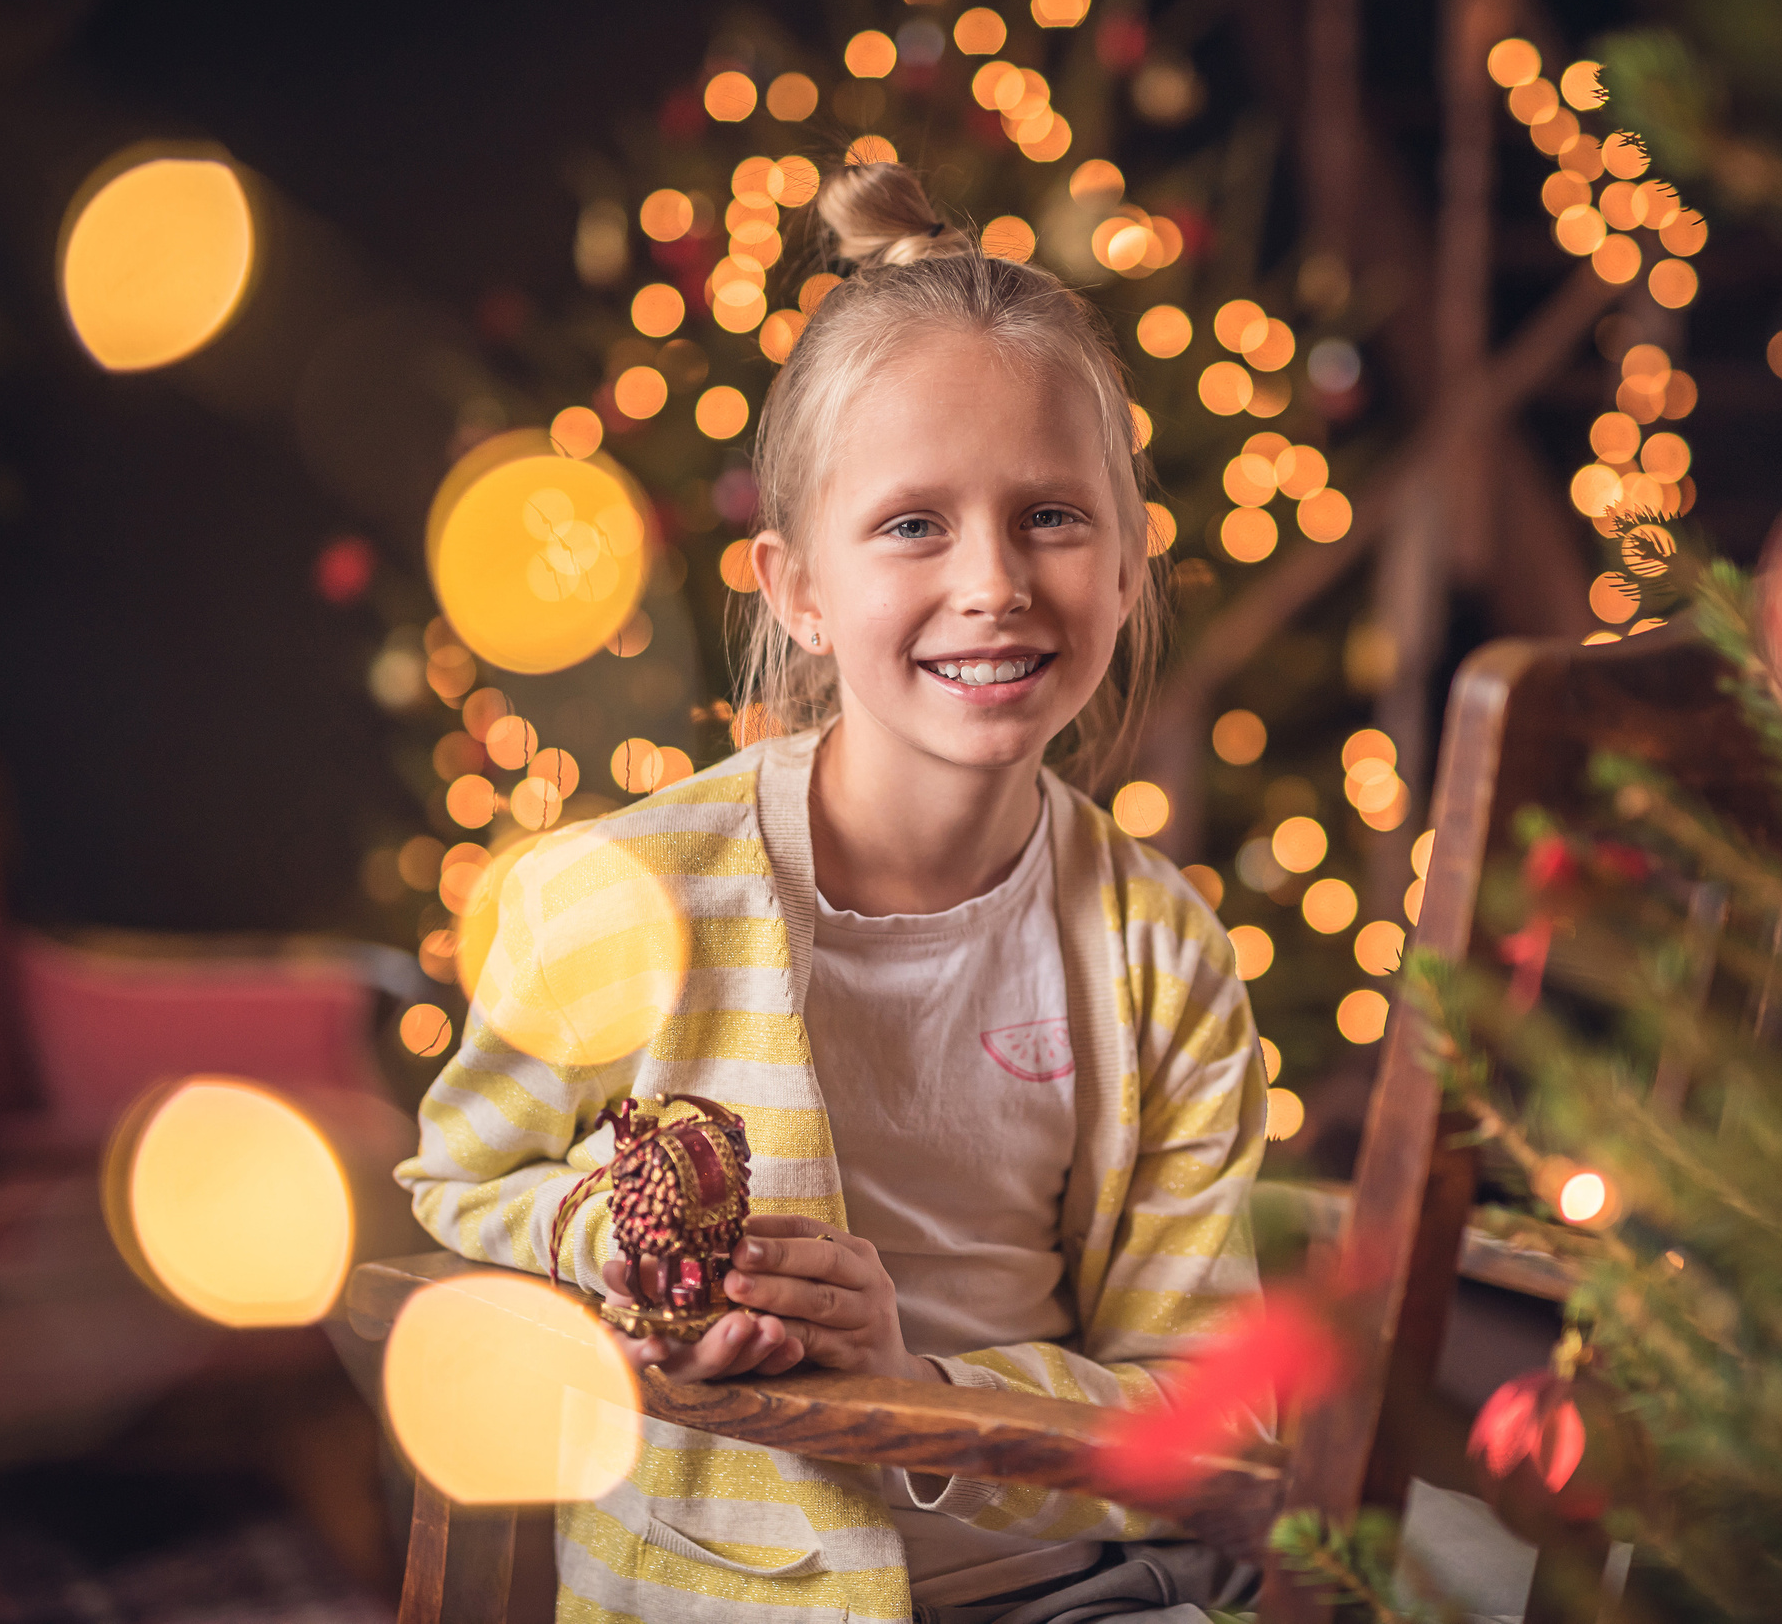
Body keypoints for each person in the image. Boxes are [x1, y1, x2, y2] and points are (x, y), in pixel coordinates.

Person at [396, 160, 1268, 1624]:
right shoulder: (625, 896)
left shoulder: (1160, 957)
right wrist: (605, 1230)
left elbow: (1201, 1404)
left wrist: (919, 1388)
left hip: (1091, 1588)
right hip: (727, 1592)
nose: (993, 582)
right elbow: (457, 1179)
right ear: (794, 587)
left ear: (1127, 569)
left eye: (1052, 516)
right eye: (914, 524)